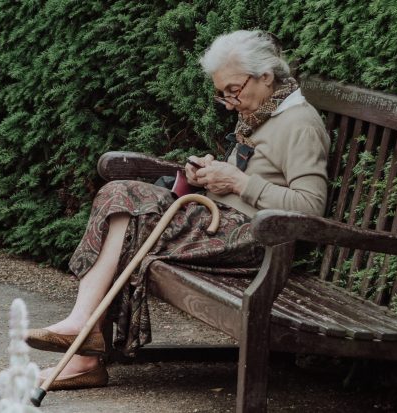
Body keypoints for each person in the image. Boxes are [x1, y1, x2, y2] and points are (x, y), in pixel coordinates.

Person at [26, 29, 330, 389]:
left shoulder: (299, 123)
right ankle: (83, 337)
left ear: (266, 76)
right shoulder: (262, 111)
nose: (229, 102)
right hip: (222, 223)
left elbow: (311, 208)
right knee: (120, 199)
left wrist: (237, 182)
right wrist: (207, 177)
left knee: (127, 205)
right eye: (222, 94)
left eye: (233, 90)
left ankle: (84, 349)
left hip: (256, 242)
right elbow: (250, 177)